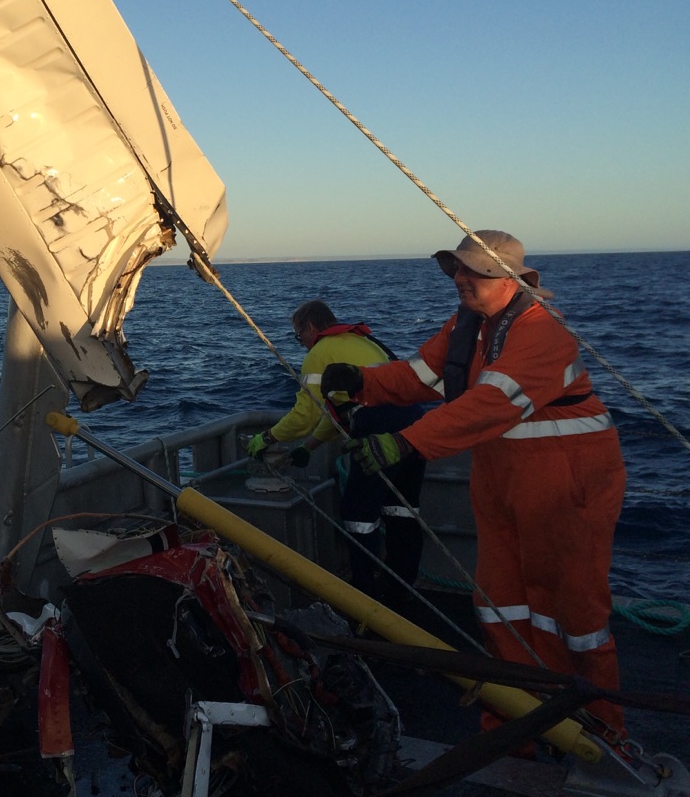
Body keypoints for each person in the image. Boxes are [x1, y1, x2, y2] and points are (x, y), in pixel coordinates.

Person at [321, 230, 626, 736]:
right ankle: (516, 727)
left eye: (474, 271)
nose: (461, 278)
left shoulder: (542, 331)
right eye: (457, 269)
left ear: (510, 280)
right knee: (499, 604)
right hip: (500, 479)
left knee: (573, 615)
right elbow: (420, 377)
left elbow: (490, 404)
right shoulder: (468, 327)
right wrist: (363, 382)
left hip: (568, 481)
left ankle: (601, 732)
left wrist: (406, 442)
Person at [245, 300, 427, 605]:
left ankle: (363, 598)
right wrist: (308, 447)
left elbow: (307, 414)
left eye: (298, 334)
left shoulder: (321, 352)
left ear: (311, 328)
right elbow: (341, 412)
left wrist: (267, 437)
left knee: (358, 514)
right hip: (413, 428)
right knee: (402, 510)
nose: (300, 342)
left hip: (377, 430)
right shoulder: (363, 343)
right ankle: (401, 590)